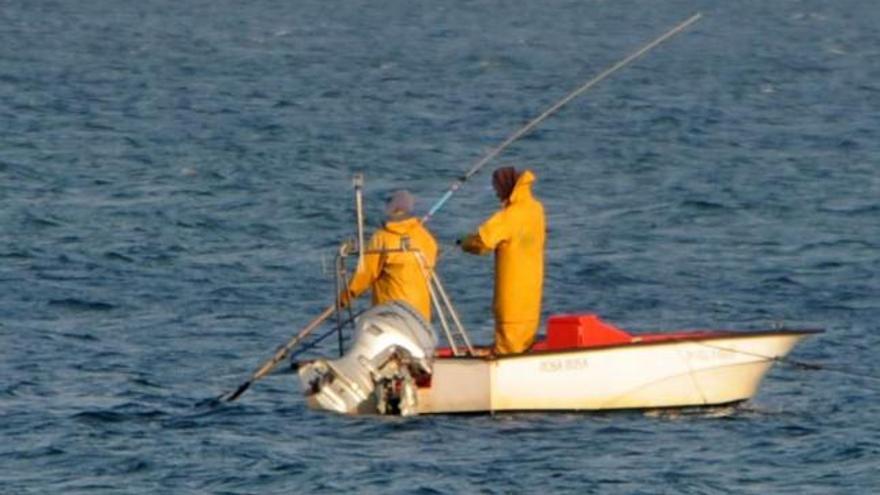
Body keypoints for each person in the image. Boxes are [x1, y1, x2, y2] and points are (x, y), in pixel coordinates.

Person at [459, 166, 546, 354]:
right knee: (524, 340)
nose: (496, 194)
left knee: (509, 344)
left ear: (505, 187)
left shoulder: (510, 216)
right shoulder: (536, 209)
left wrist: (465, 242)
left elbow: (483, 242)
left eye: (496, 188)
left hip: (512, 296)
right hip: (532, 292)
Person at [341, 190, 439, 322]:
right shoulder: (426, 238)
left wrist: (345, 297)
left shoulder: (382, 238)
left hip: (392, 312)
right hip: (420, 315)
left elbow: (365, 274)